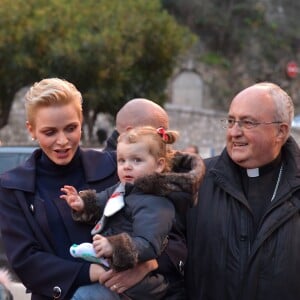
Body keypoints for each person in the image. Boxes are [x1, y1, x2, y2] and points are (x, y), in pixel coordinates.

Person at [0, 78, 157, 300]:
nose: (62, 141)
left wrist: (147, 264)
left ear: (81, 121)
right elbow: (25, 260)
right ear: (31, 129)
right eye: (50, 132)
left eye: (71, 128)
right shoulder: (13, 186)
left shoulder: (116, 167)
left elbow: (166, 225)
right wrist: (90, 272)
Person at [185, 82, 300, 300]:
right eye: (230, 122)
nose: (234, 132)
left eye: (247, 123)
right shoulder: (196, 178)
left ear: (280, 131)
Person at [61, 126, 204, 299]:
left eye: (136, 160)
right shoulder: (124, 188)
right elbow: (103, 199)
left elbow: (148, 244)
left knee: (83, 296)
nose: (127, 167)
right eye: (122, 160)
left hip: (139, 283)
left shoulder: (156, 202)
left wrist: (113, 246)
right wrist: (83, 203)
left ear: (159, 165)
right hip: (116, 268)